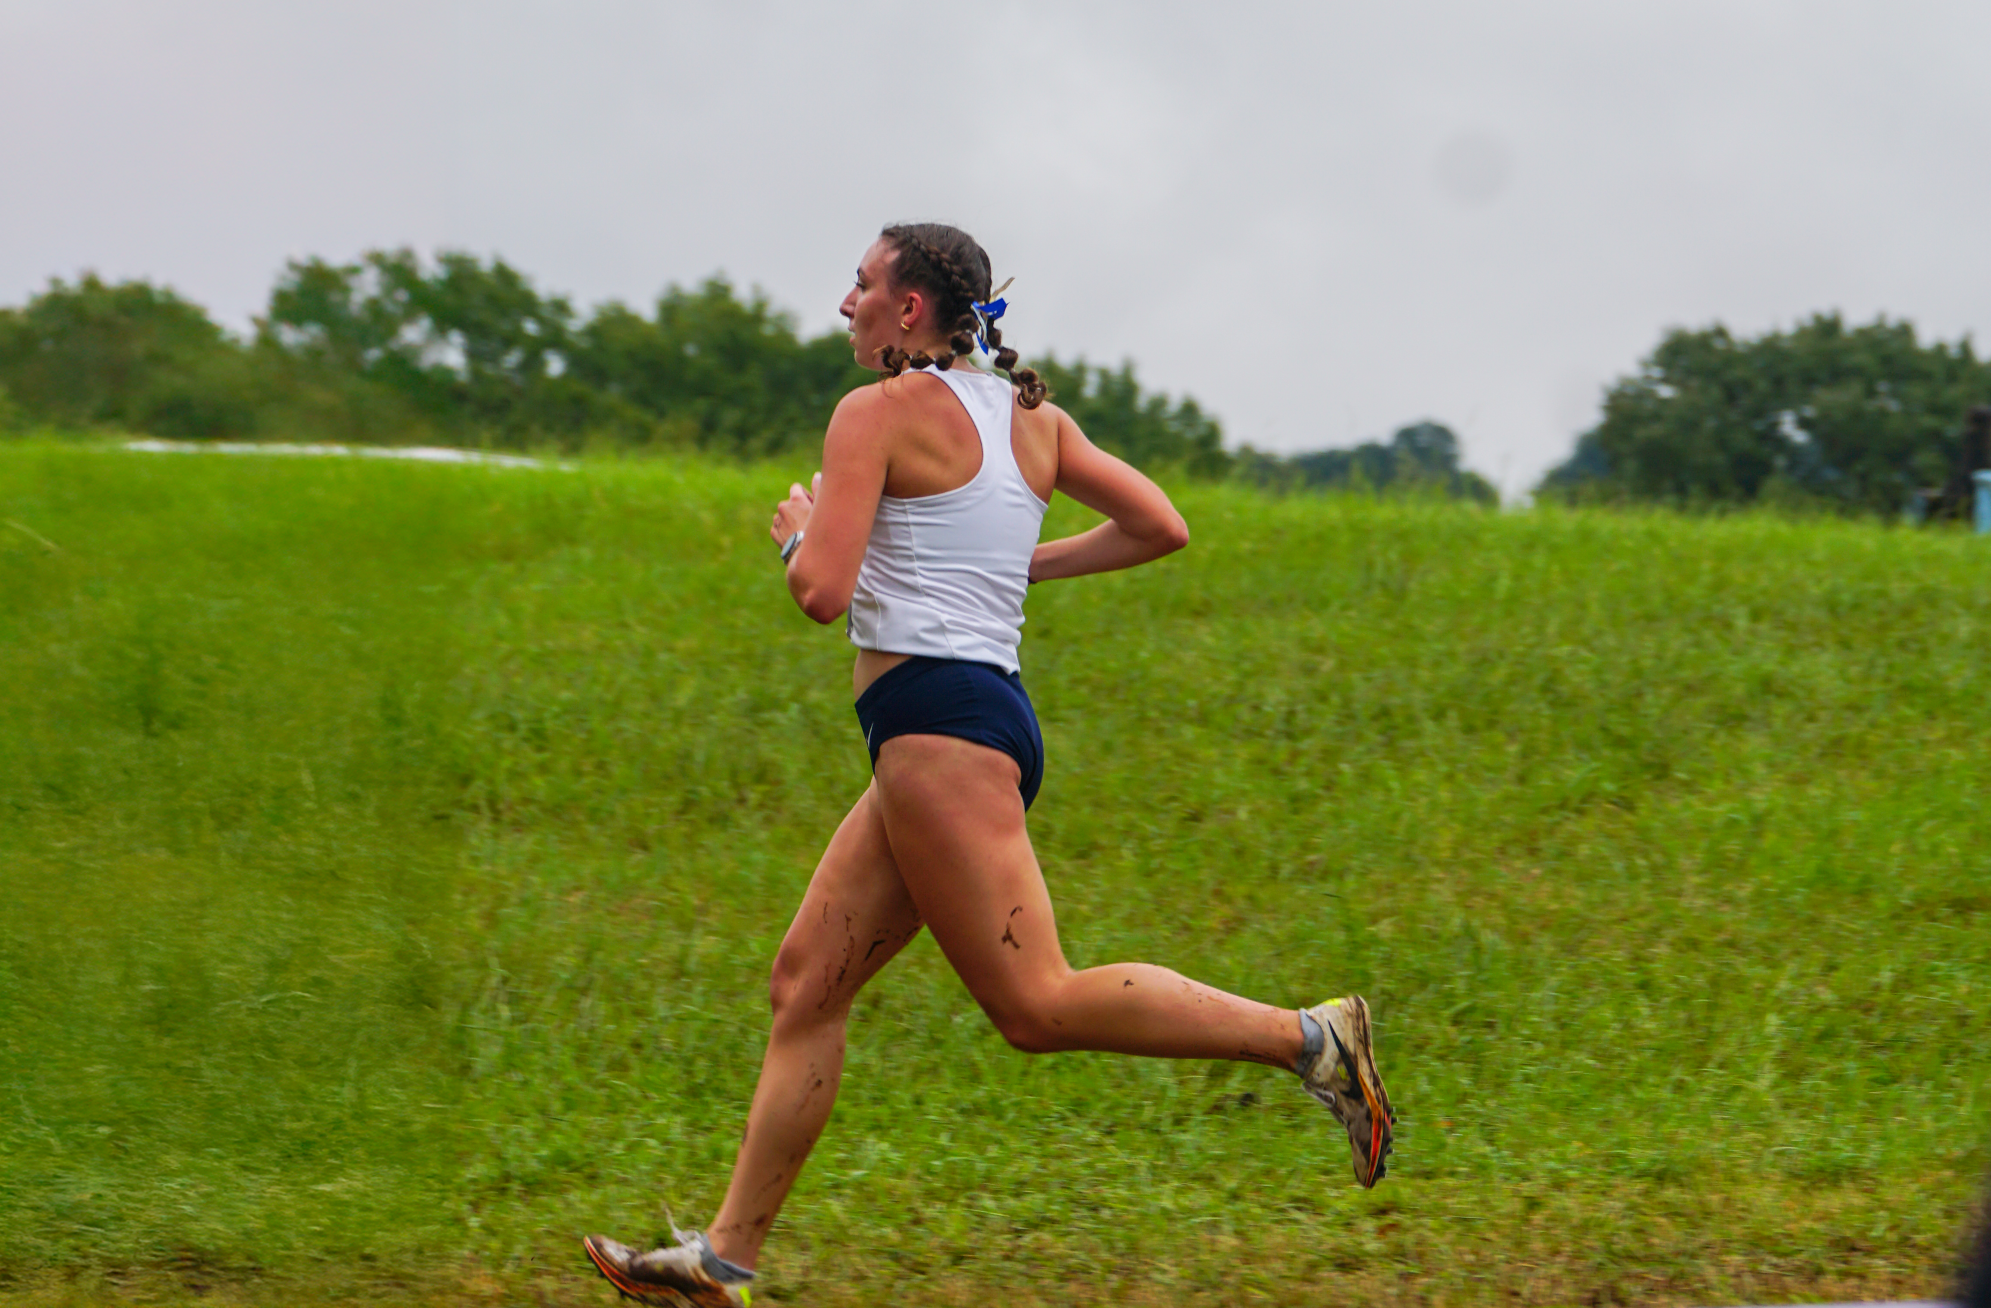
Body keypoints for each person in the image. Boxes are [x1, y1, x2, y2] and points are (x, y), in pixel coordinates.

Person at [583, 223, 1394, 1307]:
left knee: (1035, 1003)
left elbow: (822, 593)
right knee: (804, 985)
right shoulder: (1032, 420)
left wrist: (797, 533)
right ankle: (722, 1258)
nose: (845, 304)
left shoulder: (869, 415)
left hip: (935, 733)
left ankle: (1311, 1038)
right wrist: (1014, 565)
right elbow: (1159, 524)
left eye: (861, 285)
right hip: (969, 721)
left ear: (909, 307)